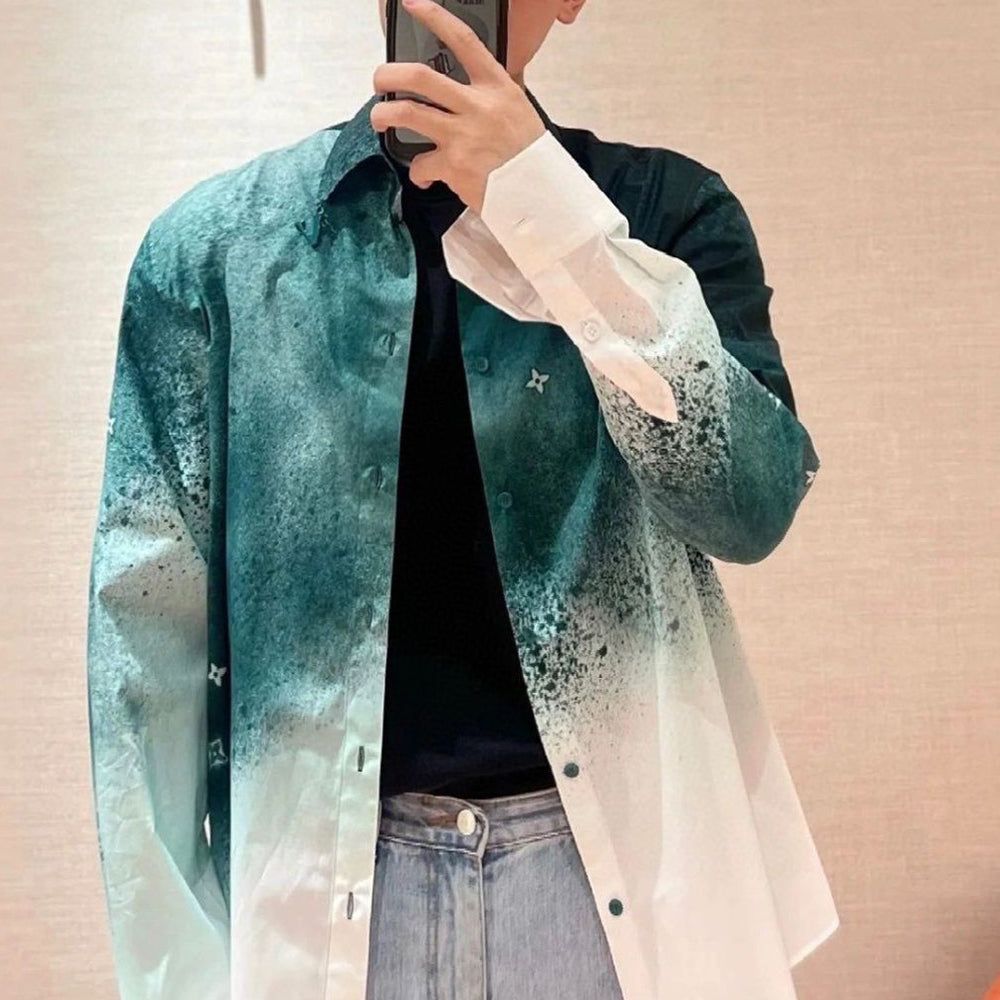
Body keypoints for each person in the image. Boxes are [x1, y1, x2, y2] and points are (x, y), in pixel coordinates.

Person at [85, 0, 839, 998]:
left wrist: (549, 215)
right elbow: (144, 649)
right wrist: (176, 976)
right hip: (325, 899)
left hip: (620, 884)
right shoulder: (216, 257)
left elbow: (746, 504)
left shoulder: (664, 216)